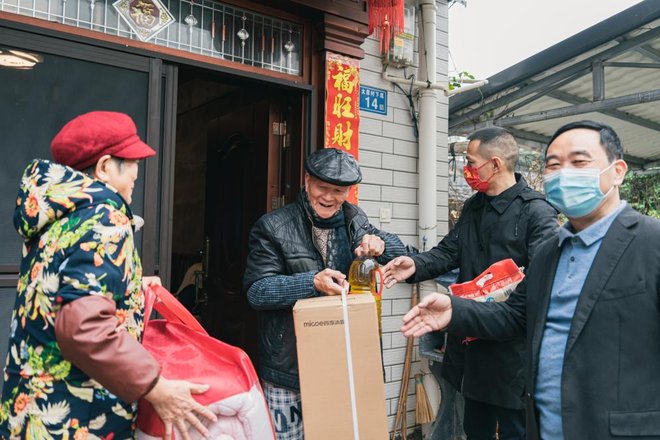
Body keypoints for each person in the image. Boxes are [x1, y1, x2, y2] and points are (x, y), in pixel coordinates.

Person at [401, 120, 660, 440]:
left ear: (618, 171)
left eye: (579, 162)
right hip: (534, 409)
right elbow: (517, 313)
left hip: (605, 420)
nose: (564, 174)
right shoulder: (553, 251)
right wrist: (454, 309)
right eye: (553, 164)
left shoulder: (650, 243)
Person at [0, 111, 216, 439]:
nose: (135, 177)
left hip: (32, 413)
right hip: (76, 418)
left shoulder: (59, 217)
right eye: (132, 165)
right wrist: (157, 388)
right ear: (104, 167)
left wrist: (126, 287)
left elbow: (60, 292)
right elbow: (84, 329)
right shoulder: (105, 219)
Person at [384, 127, 558, 440]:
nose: (466, 169)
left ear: (495, 164)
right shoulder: (474, 206)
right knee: (473, 428)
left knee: (516, 431)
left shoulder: (536, 212)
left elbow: (544, 281)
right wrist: (415, 264)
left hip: (512, 352)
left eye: (470, 161)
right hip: (471, 343)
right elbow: (450, 251)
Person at [243, 147, 407, 439]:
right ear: (307, 180)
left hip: (341, 360)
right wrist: (312, 283)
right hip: (287, 366)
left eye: (339, 190)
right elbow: (258, 291)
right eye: (322, 187)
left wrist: (381, 245)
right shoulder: (273, 226)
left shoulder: (354, 219)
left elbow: (399, 252)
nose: (329, 197)